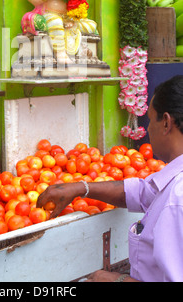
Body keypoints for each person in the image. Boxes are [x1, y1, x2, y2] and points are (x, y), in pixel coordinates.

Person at [37, 75, 183, 282]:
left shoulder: (177, 199)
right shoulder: (173, 183)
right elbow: (144, 193)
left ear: (166, 123)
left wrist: (116, 280)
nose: (148, 129)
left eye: (150, 119)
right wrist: (81, 188)